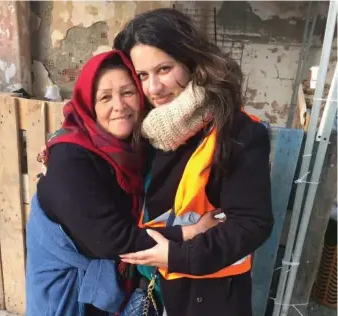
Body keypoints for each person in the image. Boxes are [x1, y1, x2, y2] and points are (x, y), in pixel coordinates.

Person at [26, 50, 216, 316]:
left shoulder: (134, 148)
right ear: (88, 105)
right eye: (105, 97)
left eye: (127, 93)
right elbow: (112, 239)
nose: (119, 105)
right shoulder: (70, 156)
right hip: (68, 294)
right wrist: (189, 233)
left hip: (109, 283)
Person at [113, 8, 274, 316]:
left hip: (205, 297)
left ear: (191, 62)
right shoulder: (143, 129)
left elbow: (252, 224)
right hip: (147, 289)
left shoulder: (237, 132)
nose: (153, 89)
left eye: (164, 69)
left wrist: (175, 256)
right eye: (142, 75)